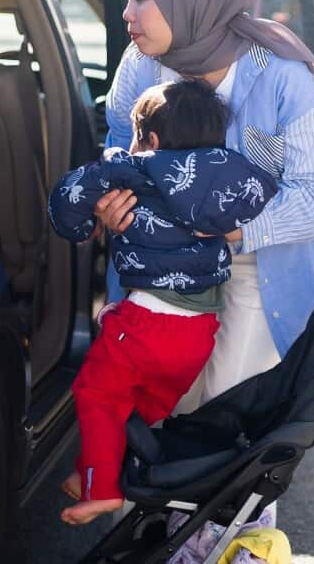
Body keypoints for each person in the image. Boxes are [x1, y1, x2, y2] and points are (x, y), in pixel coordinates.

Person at [96, 0, 314, 420]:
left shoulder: (282, 76)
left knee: (224, 406)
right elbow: (119, 153)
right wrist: (112, 204)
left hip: (261, 264)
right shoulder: (141, 66)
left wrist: (229, 229)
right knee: (165, 405)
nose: (127, 13)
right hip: (166, 261)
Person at [47, 78, 278, 525]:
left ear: (150, 140)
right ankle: (93, 468)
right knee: (140, 407)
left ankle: (101, 490)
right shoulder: (231, 171)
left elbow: (67, 200)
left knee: (97, 393)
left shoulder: (132, 168)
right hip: (200, 331)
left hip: (147, 322)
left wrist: (83, 225)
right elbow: (264, 196)